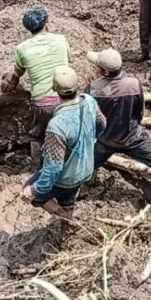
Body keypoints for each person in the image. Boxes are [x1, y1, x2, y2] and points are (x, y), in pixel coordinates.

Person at [21, 67, 104, 234]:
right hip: (85, 168)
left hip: (66, 177)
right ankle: (67, 223)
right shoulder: (89, 101)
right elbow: (102, 124)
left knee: (34, 192)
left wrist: (33, 190)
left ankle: (66, 217)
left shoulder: (57, 126)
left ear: (55, 89)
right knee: (68, 195)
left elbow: (53, 169)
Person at [85, 49, 151, 189]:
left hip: (103, 139)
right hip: (132, 136)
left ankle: (89, 180)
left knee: (86, 164)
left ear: (102, 71)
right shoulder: (134, 84)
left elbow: (88, 116)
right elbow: (139, 113)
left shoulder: (93, 88)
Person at [4, 7, 70, 164]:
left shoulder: (22, 49)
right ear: (47, 24)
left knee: (38, 133)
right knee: (67, 131)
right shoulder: (60, 39)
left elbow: (17, 72)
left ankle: (37, 165)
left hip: (41, 103)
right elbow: (68, 57)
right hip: (65, 99)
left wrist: (11, 84)